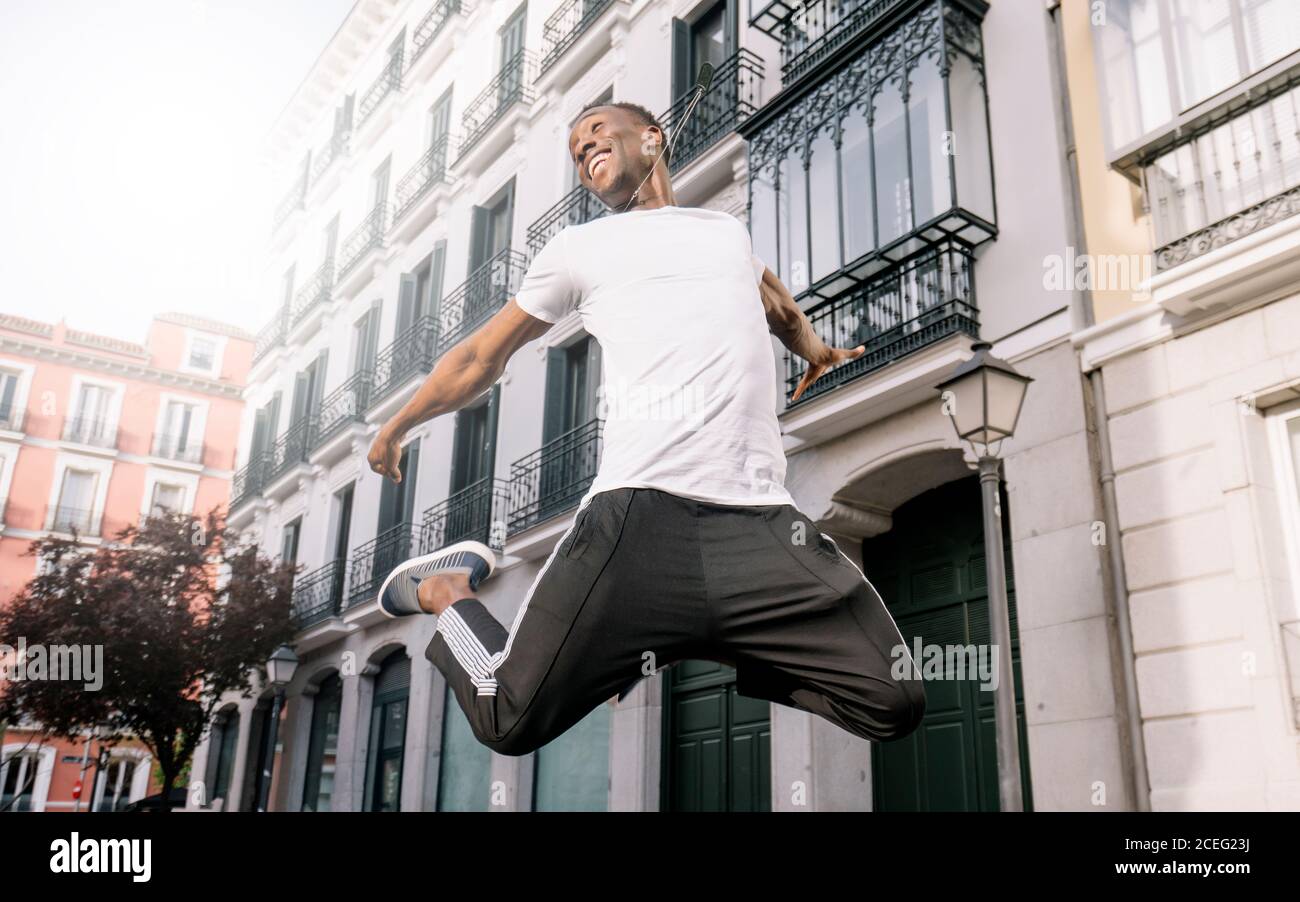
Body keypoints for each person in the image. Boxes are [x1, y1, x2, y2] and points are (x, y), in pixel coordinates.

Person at [367, 100, 926, 757]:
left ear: (652, 138)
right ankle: (446, 590)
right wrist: (400, 423)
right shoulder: (578, 250)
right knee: (507, 717)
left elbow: (776, 305)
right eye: (577, 150)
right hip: (637, 519)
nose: (585, 150)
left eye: (597, 132)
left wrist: (818, 352)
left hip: (762, 522)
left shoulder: (725, 234)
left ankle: (700, 635)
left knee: (894, 699)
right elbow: (481, 357)